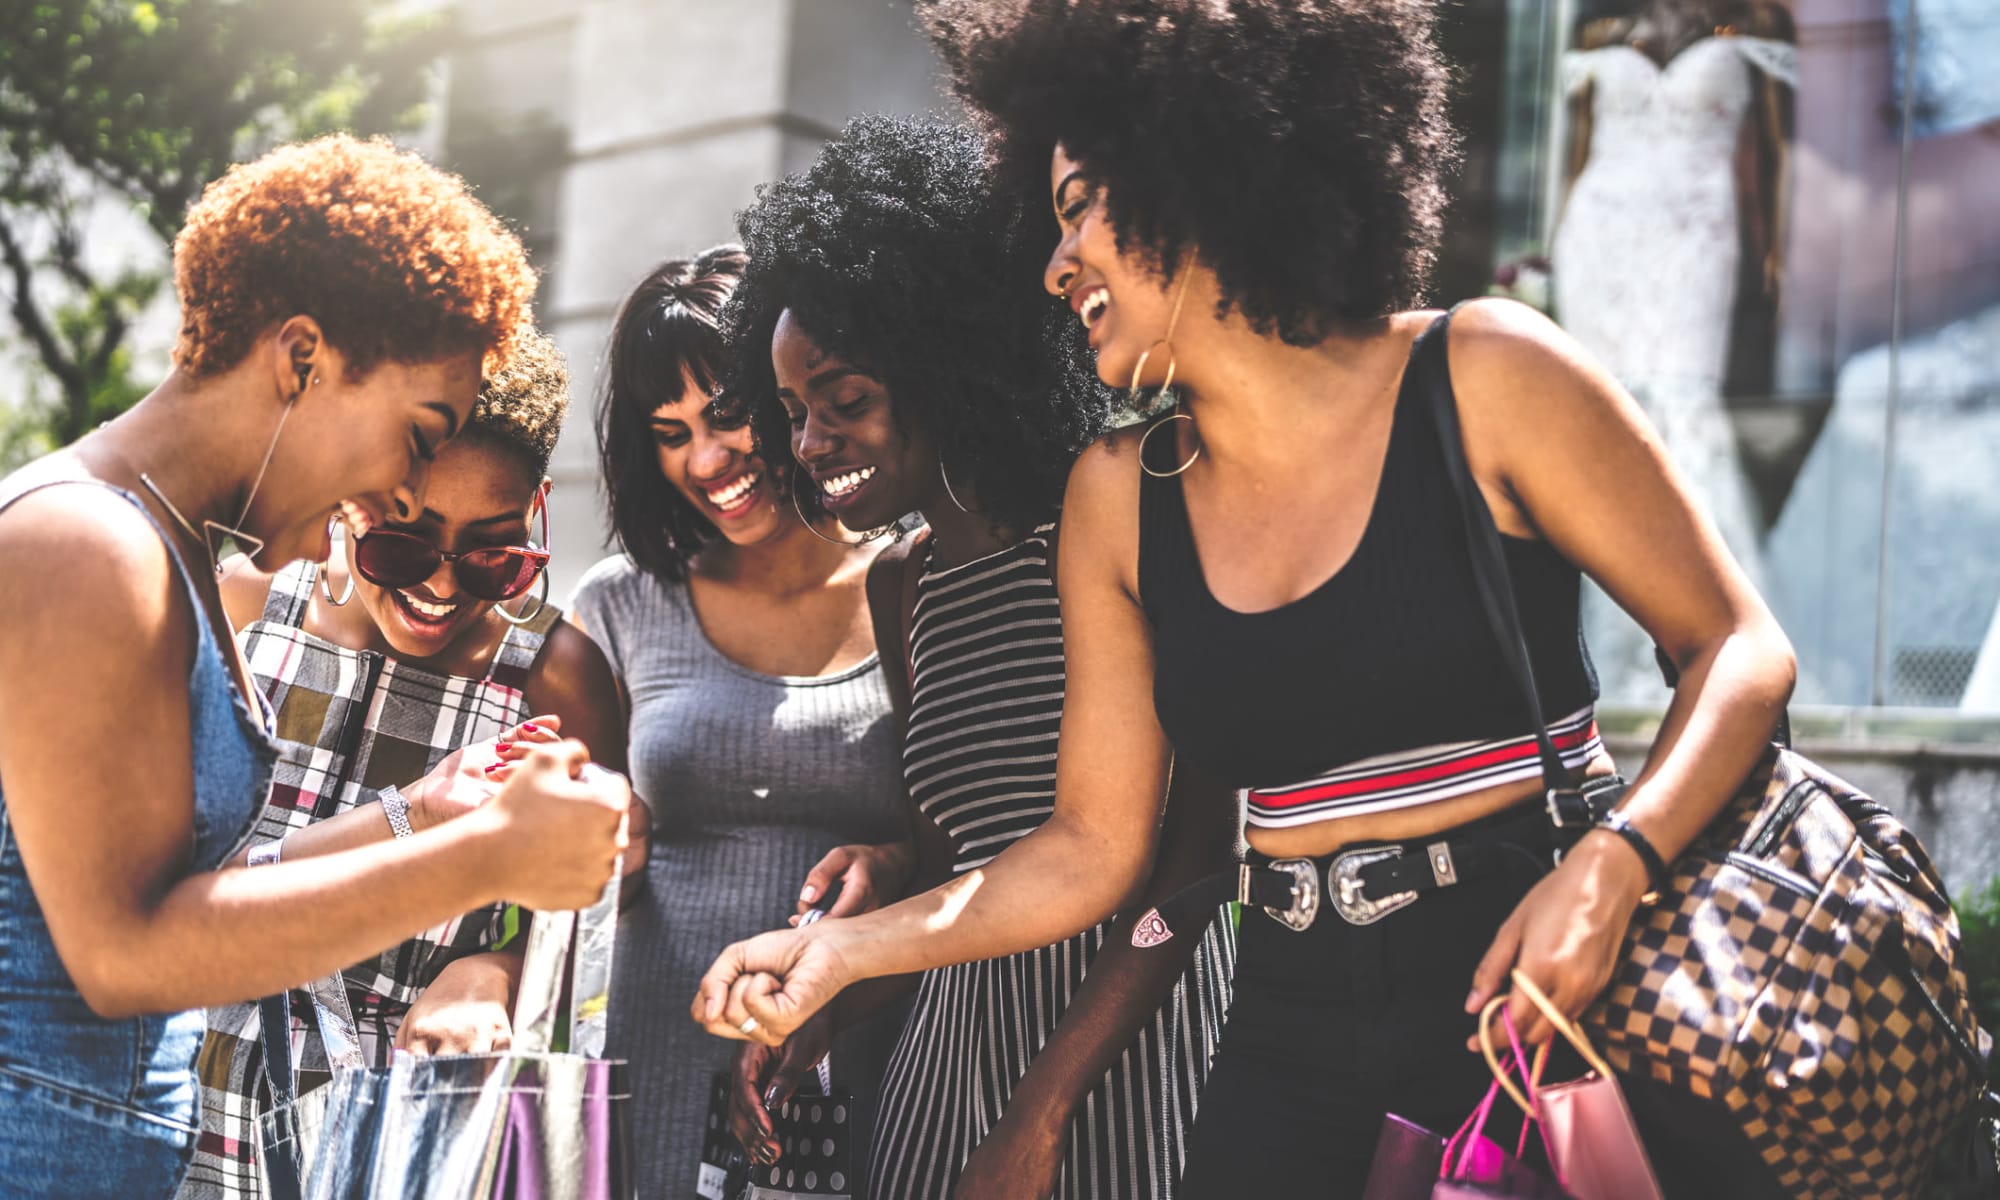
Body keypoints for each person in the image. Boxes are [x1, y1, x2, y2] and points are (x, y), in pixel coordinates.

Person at [694, 4, 1798, 1197]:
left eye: (1077, 211)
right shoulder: (1117, 496)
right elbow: (1087, 849)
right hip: (1284, 1020)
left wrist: (1613, 864)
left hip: (1520, 977)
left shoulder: (1485, 376)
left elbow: (1734, 646)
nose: (1056, 264)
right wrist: (843, 954)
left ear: (1194, 167)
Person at [0, 134, 629, 1199]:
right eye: (418, 434)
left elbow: (189, 897)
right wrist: (480, 866)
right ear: (301, 358)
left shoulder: (165, 551)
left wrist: (420, 814)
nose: (396, 492)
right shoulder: (87, 545)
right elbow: (122, 957)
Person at [716, 115, 1232, 1200]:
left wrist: (1040, 1117)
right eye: (793, 411)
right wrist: (815, 1004)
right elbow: (958, 865)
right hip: (949, 1067)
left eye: (843, 399)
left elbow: (1192, 860)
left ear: (946, 366)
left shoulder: (1120, 526)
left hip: (1132, 1060)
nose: (808, 443)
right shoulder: (900, 587)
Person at [180, 328, 639, 1198]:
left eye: (493, 553)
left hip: (401, 1138)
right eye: (404, 544)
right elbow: (151, 876)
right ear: (357, 497)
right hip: (186, 1102)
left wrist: (495, 971)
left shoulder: (556, 677)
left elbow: (595, 916)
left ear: (536, 510)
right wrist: (412, 815)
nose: (440, 587)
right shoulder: (244, 605)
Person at [566, 248, 912, 1199]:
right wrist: (609, 848)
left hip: (860, 1044)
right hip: (654, 1041)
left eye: (726, 412)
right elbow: (570, 873)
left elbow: (970, 833)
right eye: (669, 432)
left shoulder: (916, 576)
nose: (707, 460)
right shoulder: (620, 605)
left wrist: (895, 858)